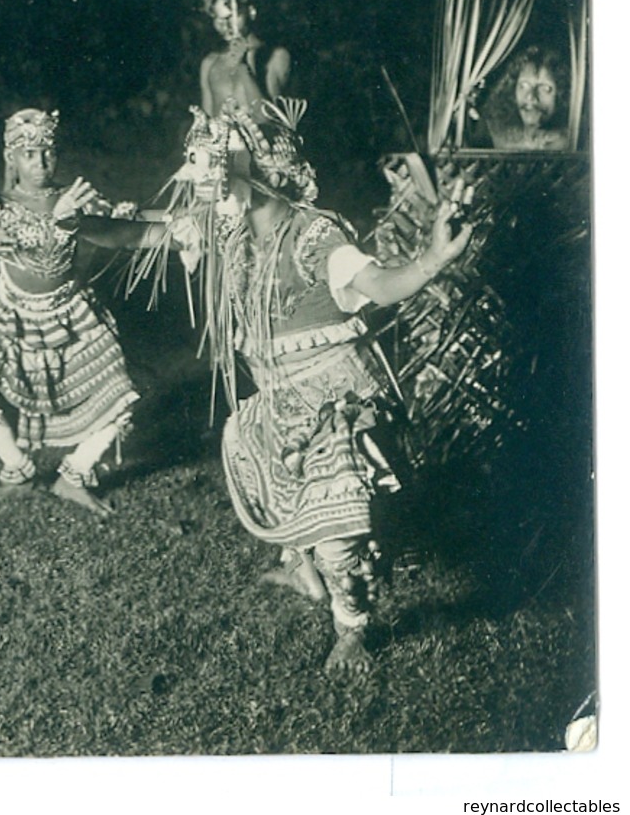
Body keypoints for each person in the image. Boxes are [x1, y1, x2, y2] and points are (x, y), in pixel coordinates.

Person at [162, 101, 472, 675]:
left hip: (334, 401)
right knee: (279, 489)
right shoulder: (232, 233)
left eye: (230, 159)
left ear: (271, 172)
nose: (217, 175)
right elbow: (147, 238)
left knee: (336, 537)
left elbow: (377, 285)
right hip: (276, 399)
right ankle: (300, 565)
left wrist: (431, 258)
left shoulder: (315, 234)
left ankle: (352, 625)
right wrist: (77, 226)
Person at [0, 109, 159, 515]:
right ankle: (17, 468)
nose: (40, 163)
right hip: (8, 315)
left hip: (70, 315)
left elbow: (122, 232)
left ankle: (73, 476)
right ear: (12, 158)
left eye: (48, 152)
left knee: (123, 398)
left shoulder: (73, 199)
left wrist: (177, 230)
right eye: (29, 154)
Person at [198, 0, 291, 122]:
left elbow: (270, 121)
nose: (225, 26)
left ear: (251, 11)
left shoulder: (275, 56)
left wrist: (243, 67)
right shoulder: (209, 63)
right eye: (218, 19)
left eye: (231, 17)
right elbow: (206, 125)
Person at [483, 45, 570, 151]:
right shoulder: (493, 132)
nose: (531, 97)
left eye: (545, 89)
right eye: (524, 86)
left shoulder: (576, 138)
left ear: (561, 94)